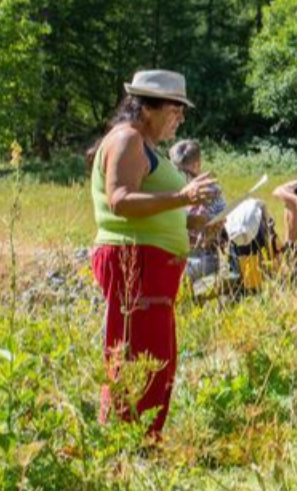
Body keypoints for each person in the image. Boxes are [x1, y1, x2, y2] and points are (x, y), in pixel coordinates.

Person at [88, 70, 218, 437]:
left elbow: (154, 205)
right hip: (134, 261)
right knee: (136, 355)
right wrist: (183, 197)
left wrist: (192, 221)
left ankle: (141, 437)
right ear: (148, 108)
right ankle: (126, 440)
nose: (180, 119)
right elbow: (120, 200)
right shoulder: (128, 139)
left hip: (152, 263)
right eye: (175, 110)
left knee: (156, 355)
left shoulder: (142, 143)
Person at [169, 139, 226, 251]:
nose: (179, 175)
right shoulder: (172, 187)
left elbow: (221, 218)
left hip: (205, 252)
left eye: (184, 171)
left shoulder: (210, 189)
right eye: (174, 170)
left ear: (197, 165)